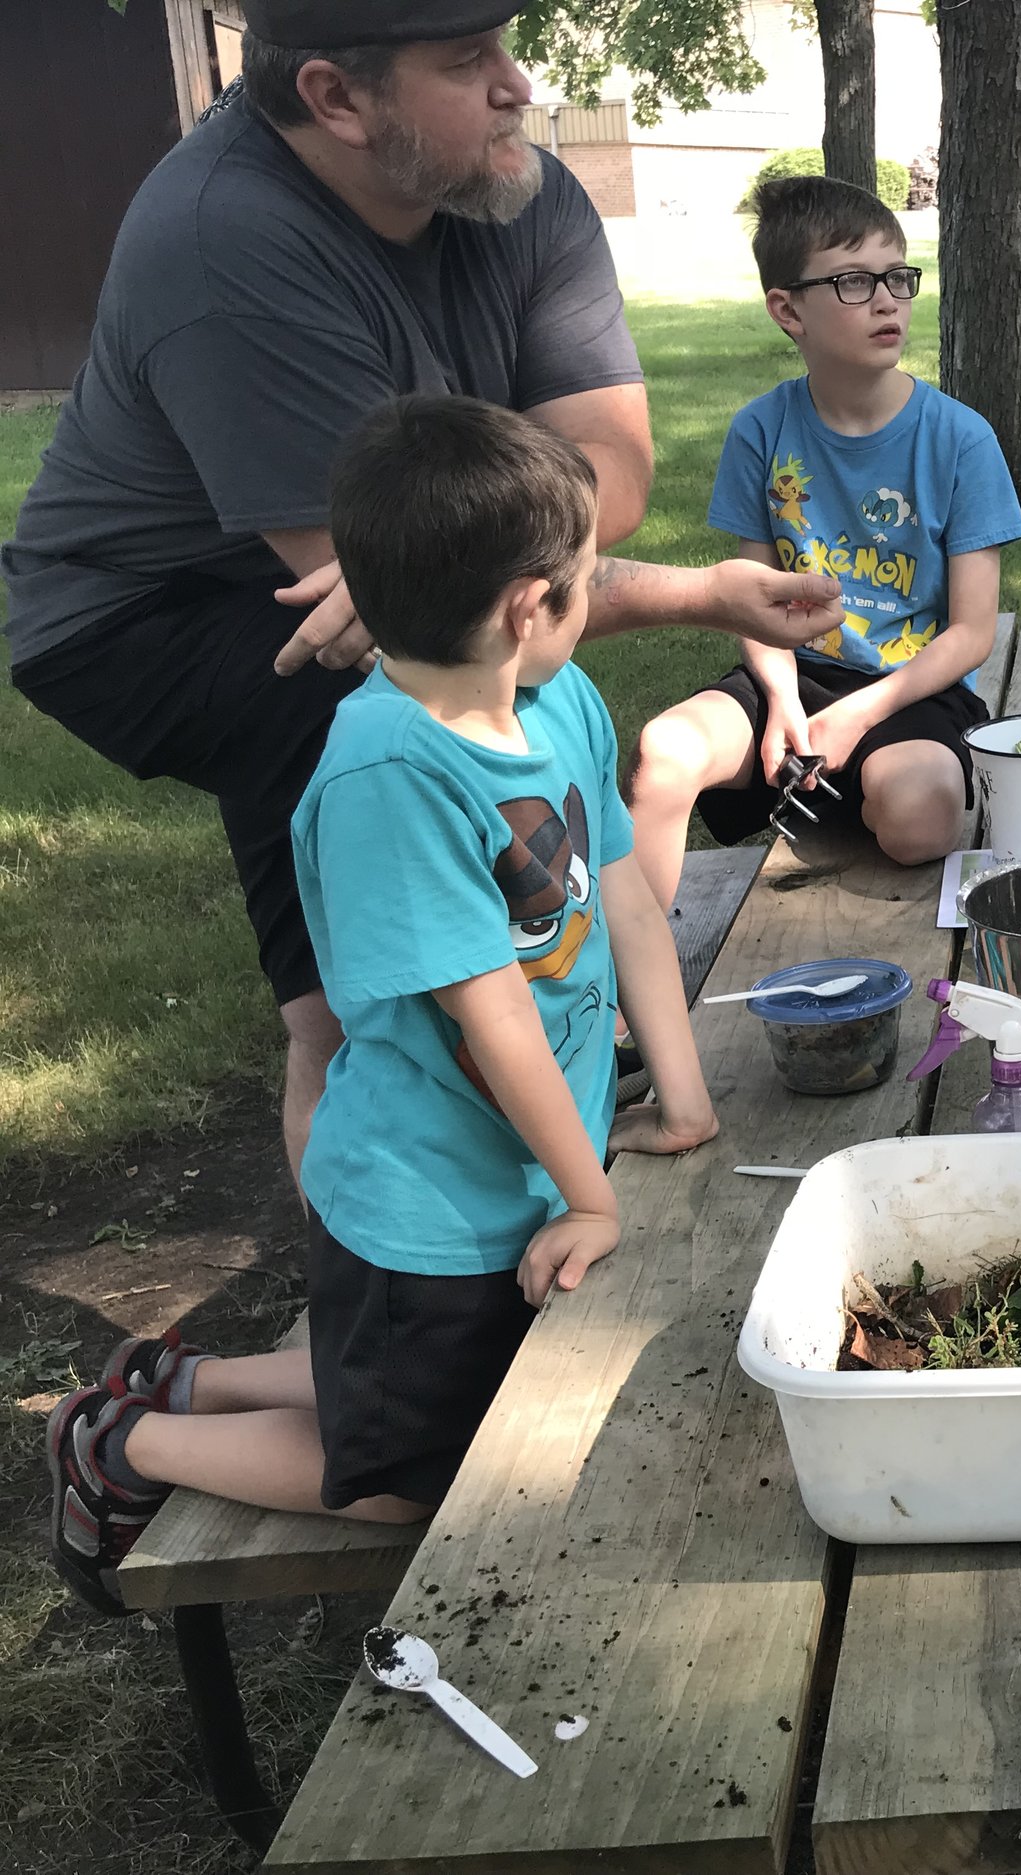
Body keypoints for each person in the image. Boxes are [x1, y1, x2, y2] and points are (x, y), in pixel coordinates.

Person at [2, 5, 840, 1184]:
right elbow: (435, 602)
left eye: (503, 43)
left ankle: (538, 1111)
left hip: (353, 583)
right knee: (373, 959)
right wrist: (690, 588)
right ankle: (387, 1294)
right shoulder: (222, 241)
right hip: (153, 614)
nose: (519, 85)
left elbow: (611, 480)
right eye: (467, 63)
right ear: (338, 98)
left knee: (510, 782)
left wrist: (503, 534)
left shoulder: (517, 189)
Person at [44, 396, 718, 1617]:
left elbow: (624, 902)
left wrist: (683, 1099)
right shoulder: (388, 772)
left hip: (523, 1173)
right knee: (406, 1475)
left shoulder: (555, 700)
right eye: (585, 579)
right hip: (426, 1205)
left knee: (435, 1384)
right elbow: (493, 1014)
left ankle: (180, 1380)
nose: (590, 596)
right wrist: (593, 1194)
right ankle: (121, 1442)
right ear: (530, 606)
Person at [627, 176, 1021, 900]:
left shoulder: (961, 439)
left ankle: (842, 785)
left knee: (920, 820)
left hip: (911, 688)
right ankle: (631, 981)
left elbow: (971, 634)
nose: (886, 300)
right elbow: (752, 601)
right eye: (852, 281)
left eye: (897, 278)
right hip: (792, 674)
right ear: (788, 310)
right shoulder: (761, 429)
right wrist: (783, 702)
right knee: (663, 754)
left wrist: (857, 716)